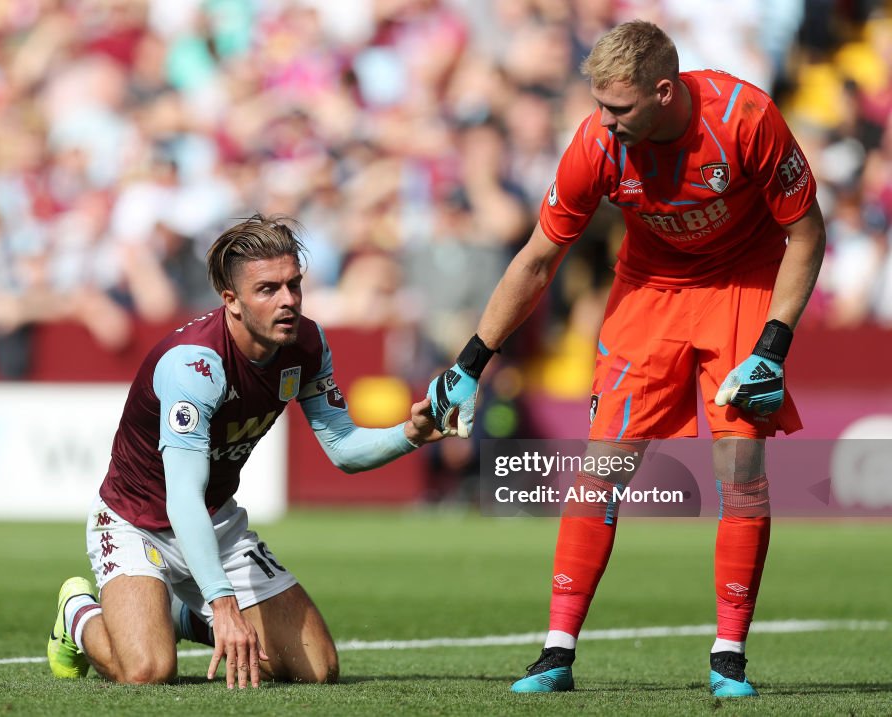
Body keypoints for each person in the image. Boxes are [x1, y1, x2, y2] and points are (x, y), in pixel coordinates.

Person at [428, 20, 825, 698]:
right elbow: (537, 259)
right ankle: (556, 653)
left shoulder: (747, 118)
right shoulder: (595, 144)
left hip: (743, 284)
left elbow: (807, 231)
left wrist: (773, 345)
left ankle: (728, 656)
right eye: (600, 107)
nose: (604, 123)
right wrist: (471, 362)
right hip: (649, 291)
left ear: (664, 92)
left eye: (619, 108)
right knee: (600, 470)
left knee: (742, 469)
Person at [48, 214, 443, 688]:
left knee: (316, 668)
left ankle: (177, 616)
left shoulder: (307, 344)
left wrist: (411, 433)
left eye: (294, 285)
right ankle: (78, 612)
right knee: (148, 671)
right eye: (268, 289)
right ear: (231, 301)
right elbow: (182, 498)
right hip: (139, 523)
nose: (288, 301)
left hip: (213, 522)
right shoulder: (195, 366)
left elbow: (342, 449)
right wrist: (223, 603)